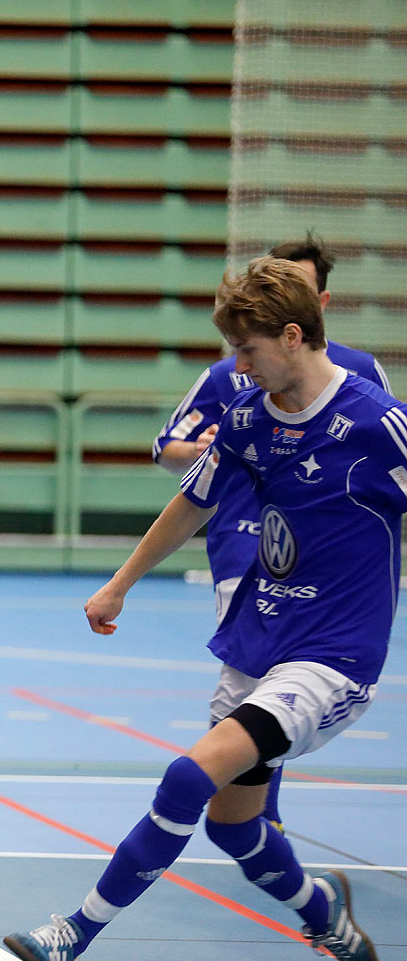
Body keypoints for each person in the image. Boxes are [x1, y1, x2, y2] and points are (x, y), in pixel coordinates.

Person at [6, 256, 391, 961]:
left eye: (246, 349)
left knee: (189, 777)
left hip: (333, 655)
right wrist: (120, 584)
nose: (236, 366)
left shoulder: (373, 420)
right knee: (234, 827)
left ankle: (71, 935)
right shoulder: (247, 416)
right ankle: (327, 919)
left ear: (290, 335)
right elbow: (193, 499)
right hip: (260, 638)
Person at [151, 233, 391, 829]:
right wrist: (201, 451)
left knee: (272, 700)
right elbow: (167, 450)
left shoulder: (362, 384)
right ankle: (243, 808)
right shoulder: (233, 384)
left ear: (317, 305)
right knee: (252, 686)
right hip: (243, 541)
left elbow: (380, 459)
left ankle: (249, 812)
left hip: (329, 561)